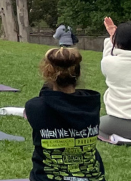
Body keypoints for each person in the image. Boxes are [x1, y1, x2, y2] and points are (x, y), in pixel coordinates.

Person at [25, 47, 105, 181]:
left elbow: (47, 100)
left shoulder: (34, 107)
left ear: (47, 73)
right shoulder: (92, 103)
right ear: (78, 74)